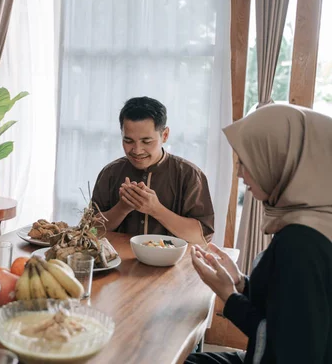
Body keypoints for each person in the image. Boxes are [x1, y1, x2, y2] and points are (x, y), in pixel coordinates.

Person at [186, 104, 332, 363]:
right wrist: (240, 282)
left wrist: (228, 295)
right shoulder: (314, 220)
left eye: (246, 162)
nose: (240, 174)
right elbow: (290, 311)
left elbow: (290, 350)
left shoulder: (301, 243)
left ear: (279, 159)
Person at [92, 97, 214, 244]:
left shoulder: (189, 175)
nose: (137, 150)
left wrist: (156, 209)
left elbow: (202, 238)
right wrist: (122, 208)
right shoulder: (110, 173)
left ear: (165, 135)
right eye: (128, 141)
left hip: (173, 265)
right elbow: (91, 231)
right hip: (119, 264)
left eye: (147, 141)